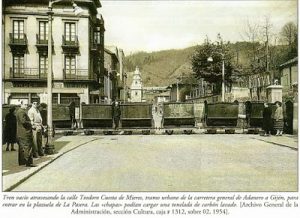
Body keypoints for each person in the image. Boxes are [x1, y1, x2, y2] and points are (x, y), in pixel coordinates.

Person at [16, 101, 35, 167]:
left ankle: (22, 162)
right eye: (25, 104)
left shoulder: (19, 111)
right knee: (27, 147)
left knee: (22, 148)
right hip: (25, 132)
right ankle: (28, 163)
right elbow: (23, 121)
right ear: (21, 104)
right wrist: (31, 123)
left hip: (21, 132)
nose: (26, 106)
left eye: (27, 104)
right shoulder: (21, 112)